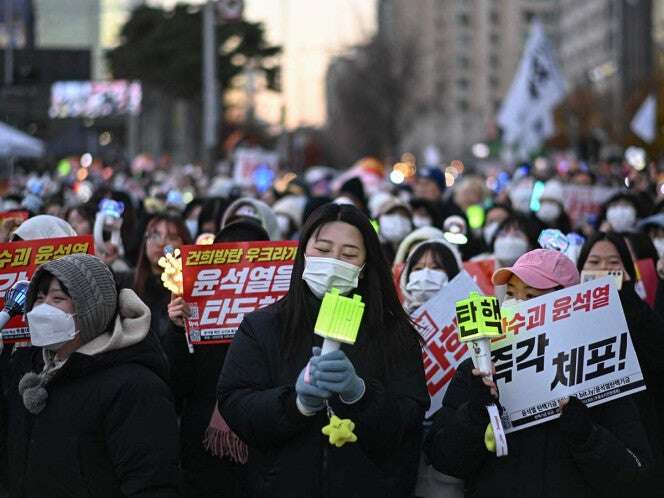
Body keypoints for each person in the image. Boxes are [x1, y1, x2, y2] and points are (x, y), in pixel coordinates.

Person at [217, 203, 429, 498]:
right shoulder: (262, 326)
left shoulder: (393, 332)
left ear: (366, 265)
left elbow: (409, 419)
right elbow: (235, 402)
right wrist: (297, 403)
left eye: (349, 254)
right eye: (323, 249)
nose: (334, 261)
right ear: (304, 253)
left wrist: (360, 394)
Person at [425, 248, 652, 498]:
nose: (516, 305)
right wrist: (475, 415)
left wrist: (587, 437)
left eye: (531, 296)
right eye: (511, 294)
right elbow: (445, 460)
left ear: (569, 304)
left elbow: (635, 478)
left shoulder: (599, 370)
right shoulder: (478, 369)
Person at [4, 254, 180, 497]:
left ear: (91, 309)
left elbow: (151, 482)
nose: (43, 309)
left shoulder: (134, 387)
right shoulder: (32, 368)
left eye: (58, 298)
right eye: (39, 298)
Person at [166, 220, 271, 498]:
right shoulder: (197, 309)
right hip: (203, 449)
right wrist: (178, 330)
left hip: (263, 442)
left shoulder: (281, 315)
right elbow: (176, 385)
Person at [577, 232, 664, 494]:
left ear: (627, 270)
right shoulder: (565, 319)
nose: (603, 269)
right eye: (593, 262)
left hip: (640, 431)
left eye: (613, 263)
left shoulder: (640, 312)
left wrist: (625, 294)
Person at [117, 214, 192, 348]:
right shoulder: (126, 283)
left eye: (171, 237)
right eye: (155, 235)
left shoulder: (190, 287)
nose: (161, 243)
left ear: (184, 244)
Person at [400, 239, 462, 313]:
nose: (425, 275)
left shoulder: (469, 315)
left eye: (435, 267)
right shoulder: (400, 318)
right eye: (418, 268)